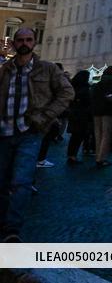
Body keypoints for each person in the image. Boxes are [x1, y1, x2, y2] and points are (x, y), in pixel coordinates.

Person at [0, 28, 73, 242]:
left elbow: (67, 93)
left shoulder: (47, 69)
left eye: (28, 40)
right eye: (20, 40)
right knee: (2, 181)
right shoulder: (5, 69)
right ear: (14, 43)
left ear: (34, 43)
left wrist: (45, 117)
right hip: (3, 131)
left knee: (21, 181)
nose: (24, 43)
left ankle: (12, 229)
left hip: (29, 131)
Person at [90, 66, 112, 167]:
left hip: (96, 111)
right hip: (108, 111)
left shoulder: (98, 84)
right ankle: (102, 158)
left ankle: (97, 157)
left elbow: (92, 97)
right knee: (106, 135)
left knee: (97, 134)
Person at [65, 70, 92, 164]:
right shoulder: (85, 89)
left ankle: (71, 155)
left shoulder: (73, 87)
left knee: (74, 136)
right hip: (82, 115)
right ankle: (73, 156)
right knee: (79, 136)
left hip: (74, 113)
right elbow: (88, 102)